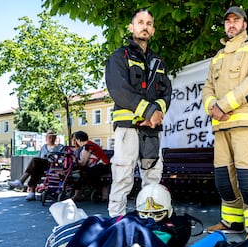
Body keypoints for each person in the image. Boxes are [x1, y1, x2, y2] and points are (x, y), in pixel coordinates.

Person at [202, 6, 248, 239]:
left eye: (236, 20)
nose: (231, 24)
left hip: (246, 126)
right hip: (221, 127)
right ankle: (232, 222)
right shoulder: (217, 57)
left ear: (245, 24)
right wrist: (212, 107)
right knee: (224, 179)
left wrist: (223, 106)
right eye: (228, 21)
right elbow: (207, 88)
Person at [105, 8, 172, 217]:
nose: (145, 26)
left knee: (153, 177)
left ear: (152, 30)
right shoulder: (119, 57)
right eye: (141, 22)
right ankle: (116, 222)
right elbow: (118, 90)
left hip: (152, 130)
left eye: (149, 23)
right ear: (131, 27)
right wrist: (149, 112)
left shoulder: (158, 61)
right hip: (128, 128)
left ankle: (150, 220)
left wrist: (156, 113)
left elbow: (166, 92)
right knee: (123, 176)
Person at [8, 129, 65, 201]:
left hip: (53, 165)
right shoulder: (44, 147)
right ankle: (31, 192)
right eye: (49, 137)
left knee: (35, 162)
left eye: (53, 137)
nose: (51, 139)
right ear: (46, 138)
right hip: (42, 166)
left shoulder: (60, 147)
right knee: (35, 167)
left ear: (55, 138)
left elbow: (62, 159)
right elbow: (39, 157)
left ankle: (23, 183)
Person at [71, 131, 111, 202]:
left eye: (76, 140)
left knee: (83, 173)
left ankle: (99, 191)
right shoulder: (89, 145)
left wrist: (74, 160)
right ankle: (78, 194)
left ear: (79, 140)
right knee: (79, 172)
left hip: (103, 165)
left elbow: (83, 163)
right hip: (102, 165)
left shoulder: (88, 146)